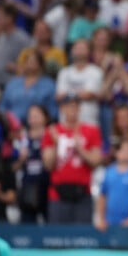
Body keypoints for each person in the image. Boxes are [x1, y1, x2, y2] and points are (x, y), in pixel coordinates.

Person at [41, 94, 102, 224]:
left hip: (83, 192)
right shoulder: (52, 131)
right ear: (62, 109)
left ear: (79, 108)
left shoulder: (91, 130)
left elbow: (96, 161)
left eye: (75, 106)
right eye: (67, 106)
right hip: (57, 193)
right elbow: (48, 165)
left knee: (82, 237)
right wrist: (57, 144)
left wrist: (79, 148)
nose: (71, 110)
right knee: (56, 238)